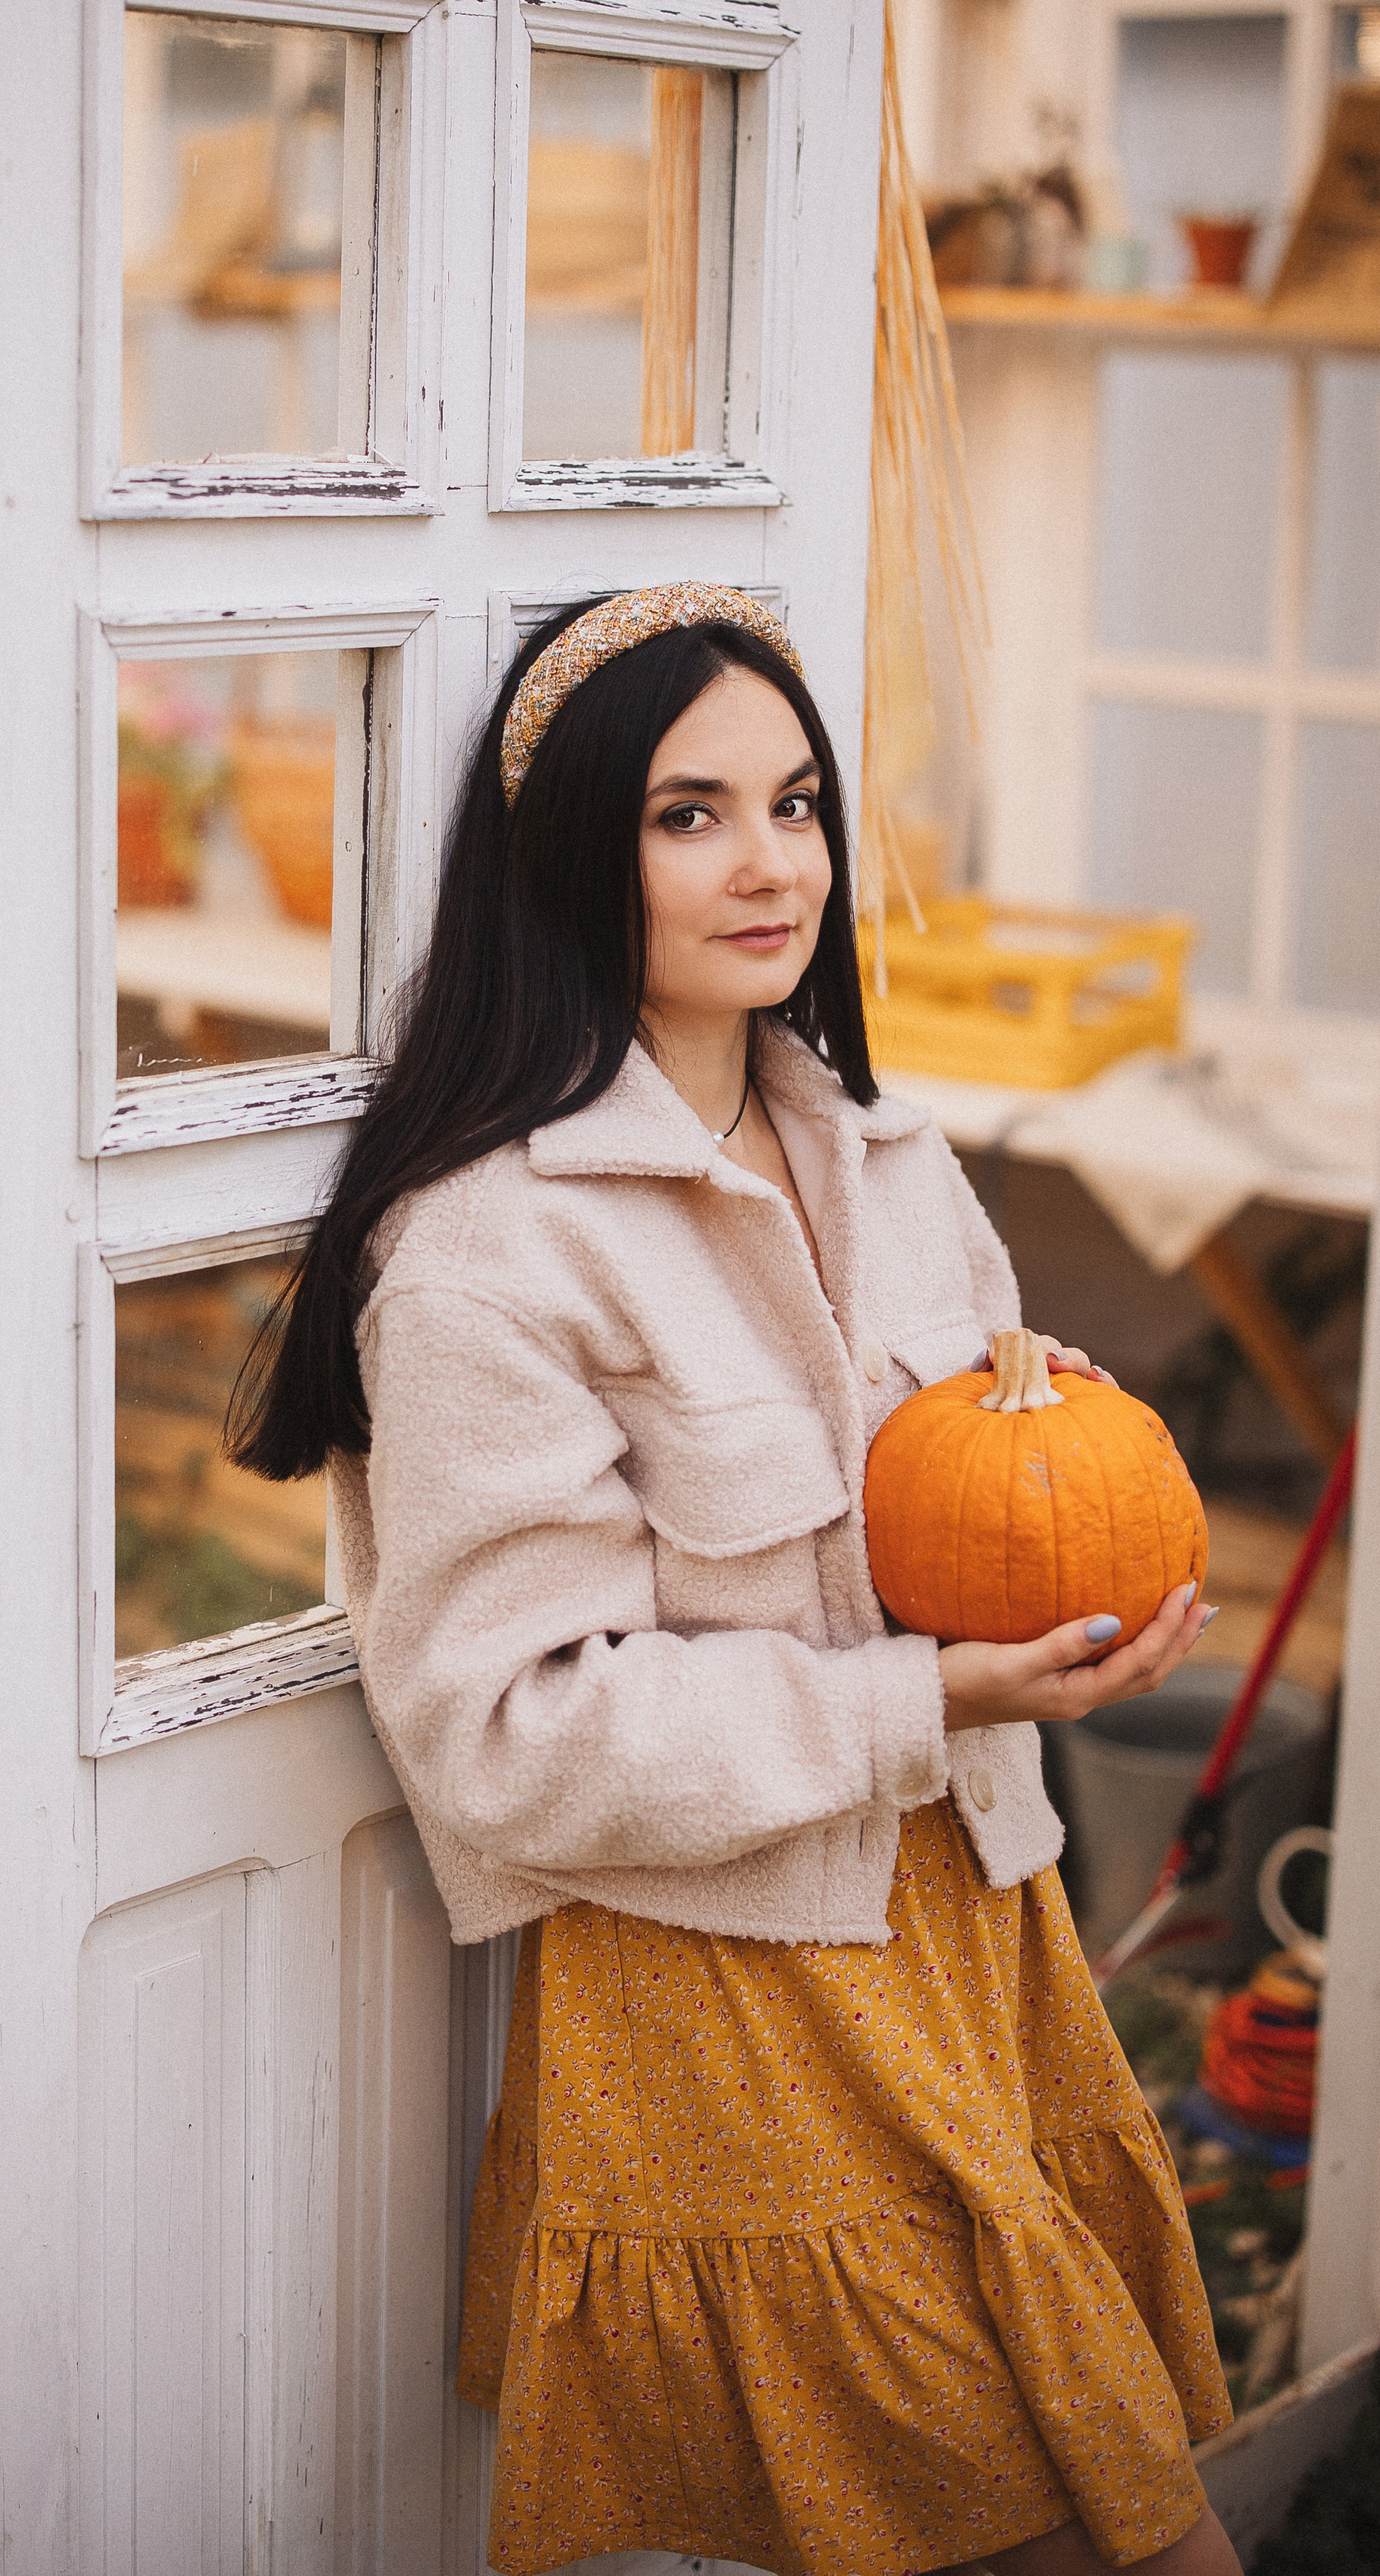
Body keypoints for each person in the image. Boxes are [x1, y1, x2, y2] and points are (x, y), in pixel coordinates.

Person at [231, 588, 1237, 2576]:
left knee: (1089, 2503)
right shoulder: (491, 1251)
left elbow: (966, 1513)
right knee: (1089, 2537)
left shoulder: (886, 1151)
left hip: (971, 1931)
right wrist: (922, 1697)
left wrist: (1050, 1483)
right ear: (571, 858)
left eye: (795, 804)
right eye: (688, 816)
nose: (771, 864)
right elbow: (507, 1732)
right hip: (738, 1991)